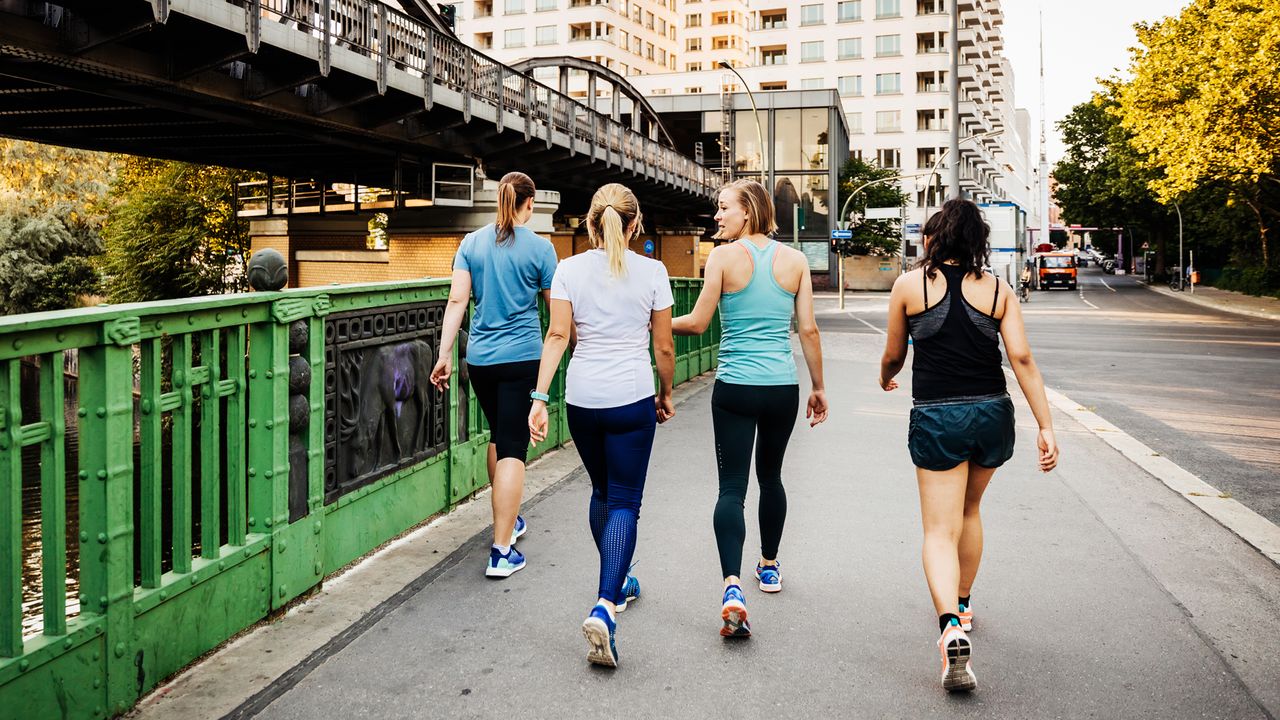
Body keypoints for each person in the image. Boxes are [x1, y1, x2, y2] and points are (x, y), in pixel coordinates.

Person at [878, 199, 1059, 692]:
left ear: (932, 240)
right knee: (971, 512)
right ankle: (962, 601)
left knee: (939, 530)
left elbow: (895, 354)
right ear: (977, 241)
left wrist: (885, 376)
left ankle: (949, 628)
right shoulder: (999, 290)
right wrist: (1045, 426)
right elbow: (1021, 358)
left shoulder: (909, 285)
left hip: (939, 415)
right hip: (992, 413)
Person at [672, 178, 827, 639]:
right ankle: (770, 566)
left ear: (748, 211)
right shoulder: (796, 261)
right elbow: (809, 331)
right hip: (782, 386)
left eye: (723, 208)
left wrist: (655, 319)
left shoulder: (721, 259)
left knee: (732, 488)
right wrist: (819, 387)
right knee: (771, 477)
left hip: (736, 387)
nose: (717, 216)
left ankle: (733, 588)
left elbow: (698, 323)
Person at [528, 183, 675, 668]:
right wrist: (666, 391)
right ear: (635, 225)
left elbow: (557, 335)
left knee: (602, 493)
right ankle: (605, 605)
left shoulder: (567, 270)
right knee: (626, 501)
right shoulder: (653, 271)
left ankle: (618, 581)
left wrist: (539, 396)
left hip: (583, 399)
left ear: (591, 223)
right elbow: (664, 348)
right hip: (631, 397)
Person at [430, 172, 557, 579]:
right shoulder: (541, 249)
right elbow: (557, 315)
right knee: (515, 448)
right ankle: (501, 550)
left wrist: (444, 352)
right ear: (530, 203)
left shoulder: (471, 243)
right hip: (522, 359)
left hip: (480, 360)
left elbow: (457, 300)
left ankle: (509, 520)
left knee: (499, 436)